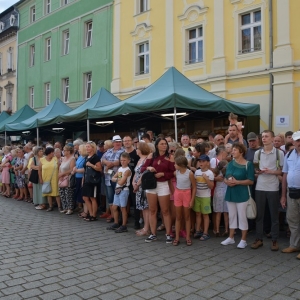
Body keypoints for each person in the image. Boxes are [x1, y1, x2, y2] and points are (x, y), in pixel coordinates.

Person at [251, 130, 284, 251]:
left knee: (274, 215)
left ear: (272, 138)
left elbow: (281, 171)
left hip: (273, 188)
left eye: (266, 136)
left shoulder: (279, 153)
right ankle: (259, 239)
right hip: (260, 186)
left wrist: (272, 172)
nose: (264, 138)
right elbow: (255, 169)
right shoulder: (258, 154)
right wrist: (258, 172)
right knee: (259, 215)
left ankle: (274, 240)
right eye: (263, 137)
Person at [141, 138, 175, 243]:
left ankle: (168, 234)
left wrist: (163, 174)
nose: (164, 146)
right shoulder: (152, 156)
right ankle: (153, 233)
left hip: (163, 184)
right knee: (152, 210)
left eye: (165, 144)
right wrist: (149, 168)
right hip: (151, 185)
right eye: (162, 144)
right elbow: (143, 168)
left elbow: (173, 172)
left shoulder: (170, 157)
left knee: (165, 210)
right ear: (157, 145)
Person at [221, 143, 254, 249]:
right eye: (232, 150)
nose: (232, 151)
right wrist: (227, 182)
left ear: (241, 152)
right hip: (230, 193)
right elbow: (226, 177)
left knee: (242, 216)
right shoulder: (230, 163)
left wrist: (238, 182)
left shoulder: (248, 164)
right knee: (232, 216)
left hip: (242, 193)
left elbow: (251, 181)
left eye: (235, 150)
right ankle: (231, 238)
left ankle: (243, 240)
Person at [280, 131, 300, 259]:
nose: (299, 143)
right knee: (292, 220)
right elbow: (285, 175)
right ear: (292, 141)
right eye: (297, 141)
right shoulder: (288, 155)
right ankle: (295, 245)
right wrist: (283, 195)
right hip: (291, 191)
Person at [173, 156, 196, 246]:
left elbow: (194, 187)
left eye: (175, 164)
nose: (174, 165)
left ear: (181, 165)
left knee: (187, 217)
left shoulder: (189, 173)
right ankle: (177, 237)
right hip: (178, 193)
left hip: (186, 193)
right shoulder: (176, 172)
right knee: (178, 217)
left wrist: (192, 200)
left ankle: (188, 237)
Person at [107, 152, 132, 232]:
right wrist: (119, 180)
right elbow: (114, 178)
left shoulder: (127, 170)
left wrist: (118, 180)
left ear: (128, 161)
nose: (122, 162)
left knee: (123, 208)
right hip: (118, 189)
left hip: (124, 190)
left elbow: (121, 182)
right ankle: (116, 222)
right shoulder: (120, 169)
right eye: (121, 160)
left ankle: (124, 225)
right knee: (114, 207)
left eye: (124, 160)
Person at [101, 135, 124, 223]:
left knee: (119, 196)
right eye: (116, 142)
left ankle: (120, 218)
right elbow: (102, 159)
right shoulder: (109, 151)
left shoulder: (123, 151)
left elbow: (121, 161)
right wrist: (108, 163)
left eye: (119, 142)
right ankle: (114, 217)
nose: (118, 143)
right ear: (113, 143)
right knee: (110, 198)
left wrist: (110, 164)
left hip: (119, 176)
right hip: (108, 178)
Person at [193, 154, 214, 241]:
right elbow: (194, 184)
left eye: (203, 161)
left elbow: (211, 186)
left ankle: (205, 232)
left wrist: (206, 179)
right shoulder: (197, 172)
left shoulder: (210, 173)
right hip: (197, 196)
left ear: (208, 163)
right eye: (200, 161)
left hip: (205, 197)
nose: (201, 163)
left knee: (205, 215)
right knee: (198, 213)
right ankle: (198, 230)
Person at [132, 142, 151, 236]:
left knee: (146, 207)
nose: (136, 150)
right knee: (142, 208)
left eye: (137, 148)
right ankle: (145, 227)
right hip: (138, 187)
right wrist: (133, 182)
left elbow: (144, 174)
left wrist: (137, 184)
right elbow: (136, 173)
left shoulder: (146, 159)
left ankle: (147, 228)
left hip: (143, 186)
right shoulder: (140, 160)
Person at [210, 146, 229, 237]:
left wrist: (215, 178)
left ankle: (217, 229)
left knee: (218, 212)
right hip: (226, 191)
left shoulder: (216, 171)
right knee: (226, 212)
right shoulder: (227, 171)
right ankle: (226, 229)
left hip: (218, 191)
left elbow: (211, 176)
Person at [122, 136, 140, 229]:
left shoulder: (136, 153)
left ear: (132, 142)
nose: (127, 142)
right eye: (125, 141)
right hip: (124, 182)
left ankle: (137, 222)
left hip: (134, 181)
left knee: (135, 202)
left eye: (128, 140)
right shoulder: (122, 153)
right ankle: (123, 221)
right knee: (123, 201)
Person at [82, 141, 102, 221]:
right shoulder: (87, 157)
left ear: (93, 148)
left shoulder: (95, 157)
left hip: (93, 180)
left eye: (88, 147)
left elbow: (99, 168)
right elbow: (85, 169)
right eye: (86, 147)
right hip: (86, 179)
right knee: (85, 197)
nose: (87, 148)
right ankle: (90, 213)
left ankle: (93, 215)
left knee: (92, 198)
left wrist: (91, 165)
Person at [39, 147, 62, 212]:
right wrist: (40, 179)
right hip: (46, 178)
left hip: (55, 178)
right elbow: (39, 170)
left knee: (56, 193)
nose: (53, 153)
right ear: (49, 153)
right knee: (48, 192)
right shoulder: (42, 160)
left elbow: (59, 168)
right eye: (52, 152)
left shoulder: (55, 159)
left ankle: (59, 206)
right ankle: (50, 206)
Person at [58, 145, 76, 215]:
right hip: (61, 178)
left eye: (64, 150)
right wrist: (59, 175)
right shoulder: (63, 158)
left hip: (68, 178)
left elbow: (71, 169)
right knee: (62, 193)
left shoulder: (72, 159)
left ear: (68, 151)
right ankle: (65, 207)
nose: (63, 151)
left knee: (68, 193)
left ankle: (70, 208)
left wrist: (63, 174)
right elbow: (60, 167)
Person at [75, 144, 87, 217]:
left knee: (83, 194)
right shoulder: (80, 156)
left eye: (80, 149)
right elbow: (77, 165)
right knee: (79, 193)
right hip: (77, 176)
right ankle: (82, 208)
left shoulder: (85, 158)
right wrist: (74, 169)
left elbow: (85, 169)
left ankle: (85, 210)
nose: (78, 150)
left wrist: (77, 170)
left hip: (82, 177)